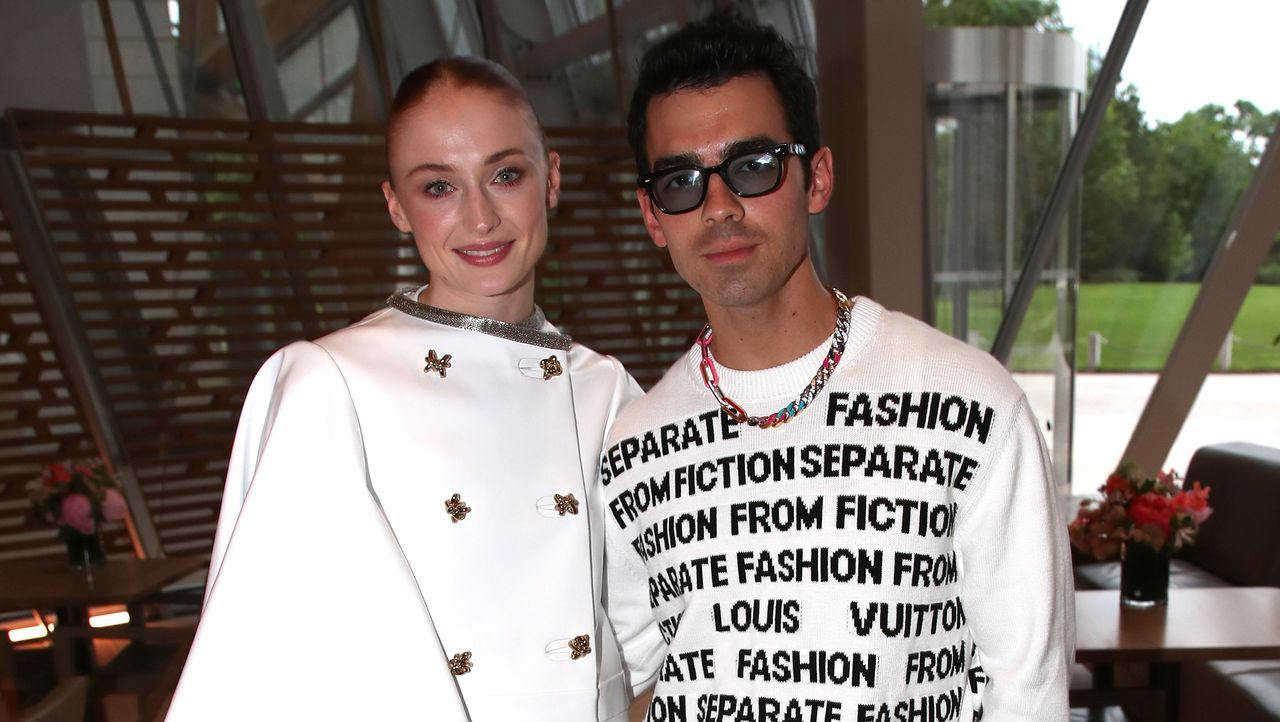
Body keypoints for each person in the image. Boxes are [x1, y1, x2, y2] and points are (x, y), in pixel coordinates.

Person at [600, 12, 1074, 722]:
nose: (719, 207)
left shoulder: (969, 407)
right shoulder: (632, 445)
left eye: (753, 167)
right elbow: (635, 688)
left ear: (816, 179)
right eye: (682, 181)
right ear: (651, 215)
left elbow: (1028, 690)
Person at [168, 58, 641, 721]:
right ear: (395, 206)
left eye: (506, 175)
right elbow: (263, 660)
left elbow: (657, 636)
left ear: (551, 179)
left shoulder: (607, 389)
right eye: (439, 187)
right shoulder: (329, 384)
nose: (480, 219)